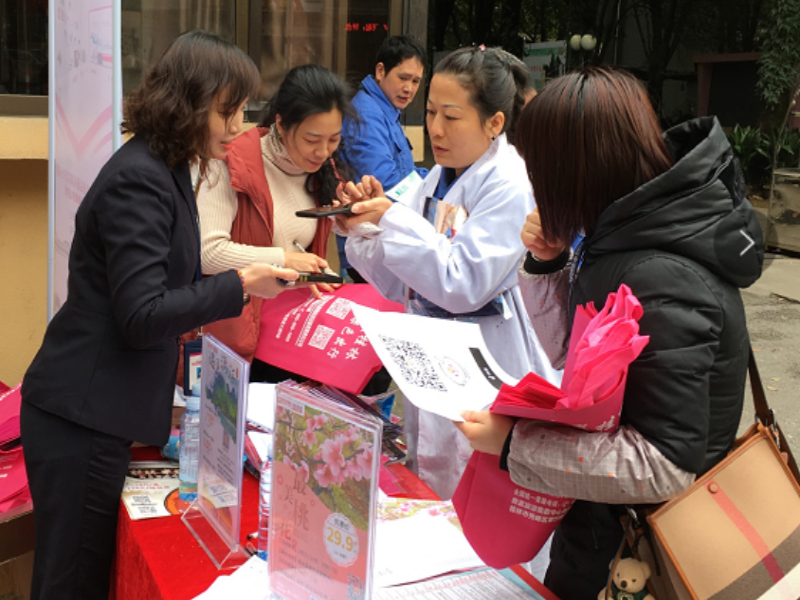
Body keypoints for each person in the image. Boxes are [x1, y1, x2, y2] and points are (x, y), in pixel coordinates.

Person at [455, 67, 764, 599]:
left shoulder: (660, 275)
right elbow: (572, 356)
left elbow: (665, 465)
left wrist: (514, 446)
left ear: (573, 170)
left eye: (539, 169)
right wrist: (548, 262)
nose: (535, 185)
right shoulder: (627, 230)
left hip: (637, 556)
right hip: (605, 530)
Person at [19, 31, 299, 600]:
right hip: (82, 413)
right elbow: (142, 313)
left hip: (100, 407)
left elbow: (166, 284)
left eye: (243, 110)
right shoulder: (140, 178)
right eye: (228, 110)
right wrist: (240, 284)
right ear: (190, 103)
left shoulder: (165, 167)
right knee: (72, 580)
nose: (239, 126)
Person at [336, 46, 559, 500]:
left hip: (490, 357)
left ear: (494, 123)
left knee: (480, 494)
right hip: (437, 359)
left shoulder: (511, 184)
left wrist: (391, 220)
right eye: (431, 111)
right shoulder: (438, 176)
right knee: (435, 483)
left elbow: (462, 284)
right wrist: (364, 226)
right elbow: (403, 280)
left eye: (451, 117)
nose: (435, 128)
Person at [196, 64, 356, 382]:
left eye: (334, 139)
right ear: (281, 124)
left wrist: (354, 219)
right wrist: (285, 260)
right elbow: (208, 253)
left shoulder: (321, 170)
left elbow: (312, 229)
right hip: (236, 339)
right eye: (312, 139)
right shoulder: (229, 163)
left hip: (291, 339)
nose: (323, 151)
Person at [338, 35, 429, 283]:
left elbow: (403, 170)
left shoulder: (385, 109)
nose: (409, 88)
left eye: (416, 81)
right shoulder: (367, 115)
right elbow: (386, 185)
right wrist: (431, 186)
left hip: (383, 238)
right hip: (369, 246)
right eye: (403, 78)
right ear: (381, 71)